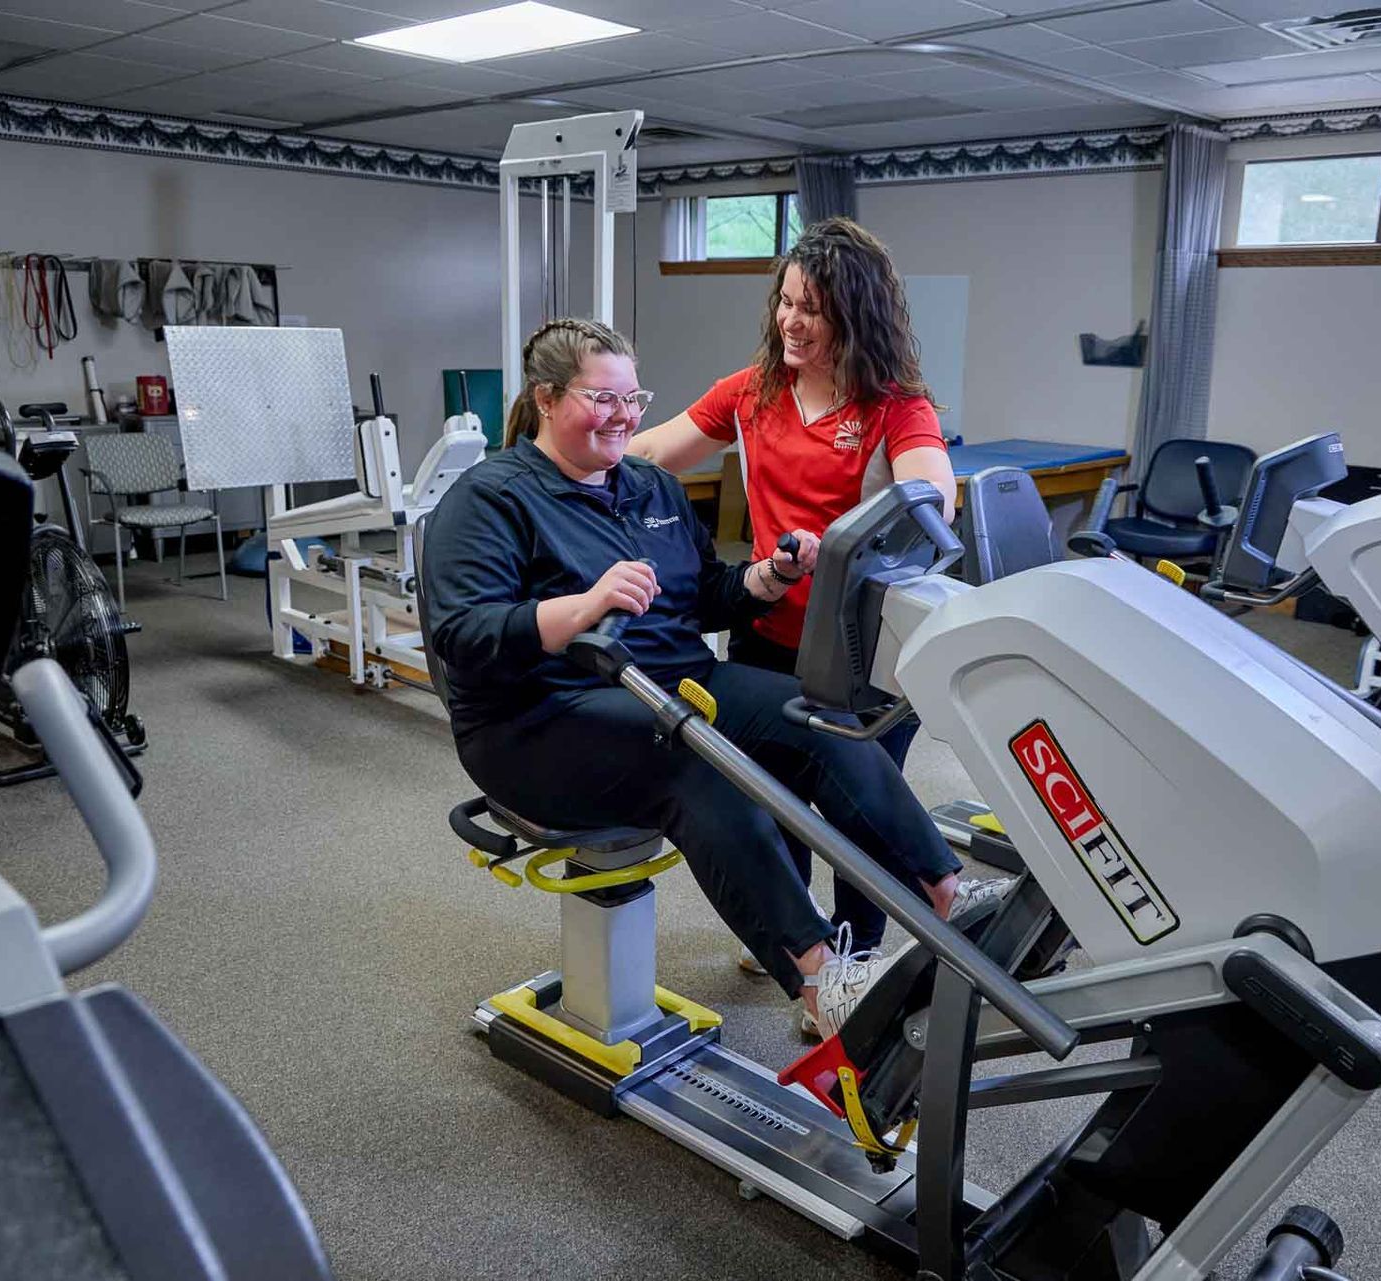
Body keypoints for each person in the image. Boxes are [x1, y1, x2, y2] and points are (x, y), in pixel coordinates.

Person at [423, 317, 1000, 1038]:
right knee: (696, 760)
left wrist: (764, 578)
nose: (624, 417)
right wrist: (579, 608)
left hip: (669, 683)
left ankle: (950, 894)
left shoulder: (648, 487)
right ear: (545, 398)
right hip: (538, 717)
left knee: (820, 719)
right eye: (603, 400)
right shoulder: (489, 498)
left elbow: (702, 595)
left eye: (633, 400)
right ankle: (824, 981)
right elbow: (461, 638)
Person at [628, 216, 955, 960]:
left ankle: (859, 956)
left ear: (855, 314)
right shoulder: (752, 392)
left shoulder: (895, 406)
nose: (791, 321)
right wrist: (560, 460)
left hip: (859, 655)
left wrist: (880, 524)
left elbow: (931, 497)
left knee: (859, 816)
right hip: (768, 636)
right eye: (786, 302)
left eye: (812, 308)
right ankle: (800, 933)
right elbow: (651, 453)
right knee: (771, 800)